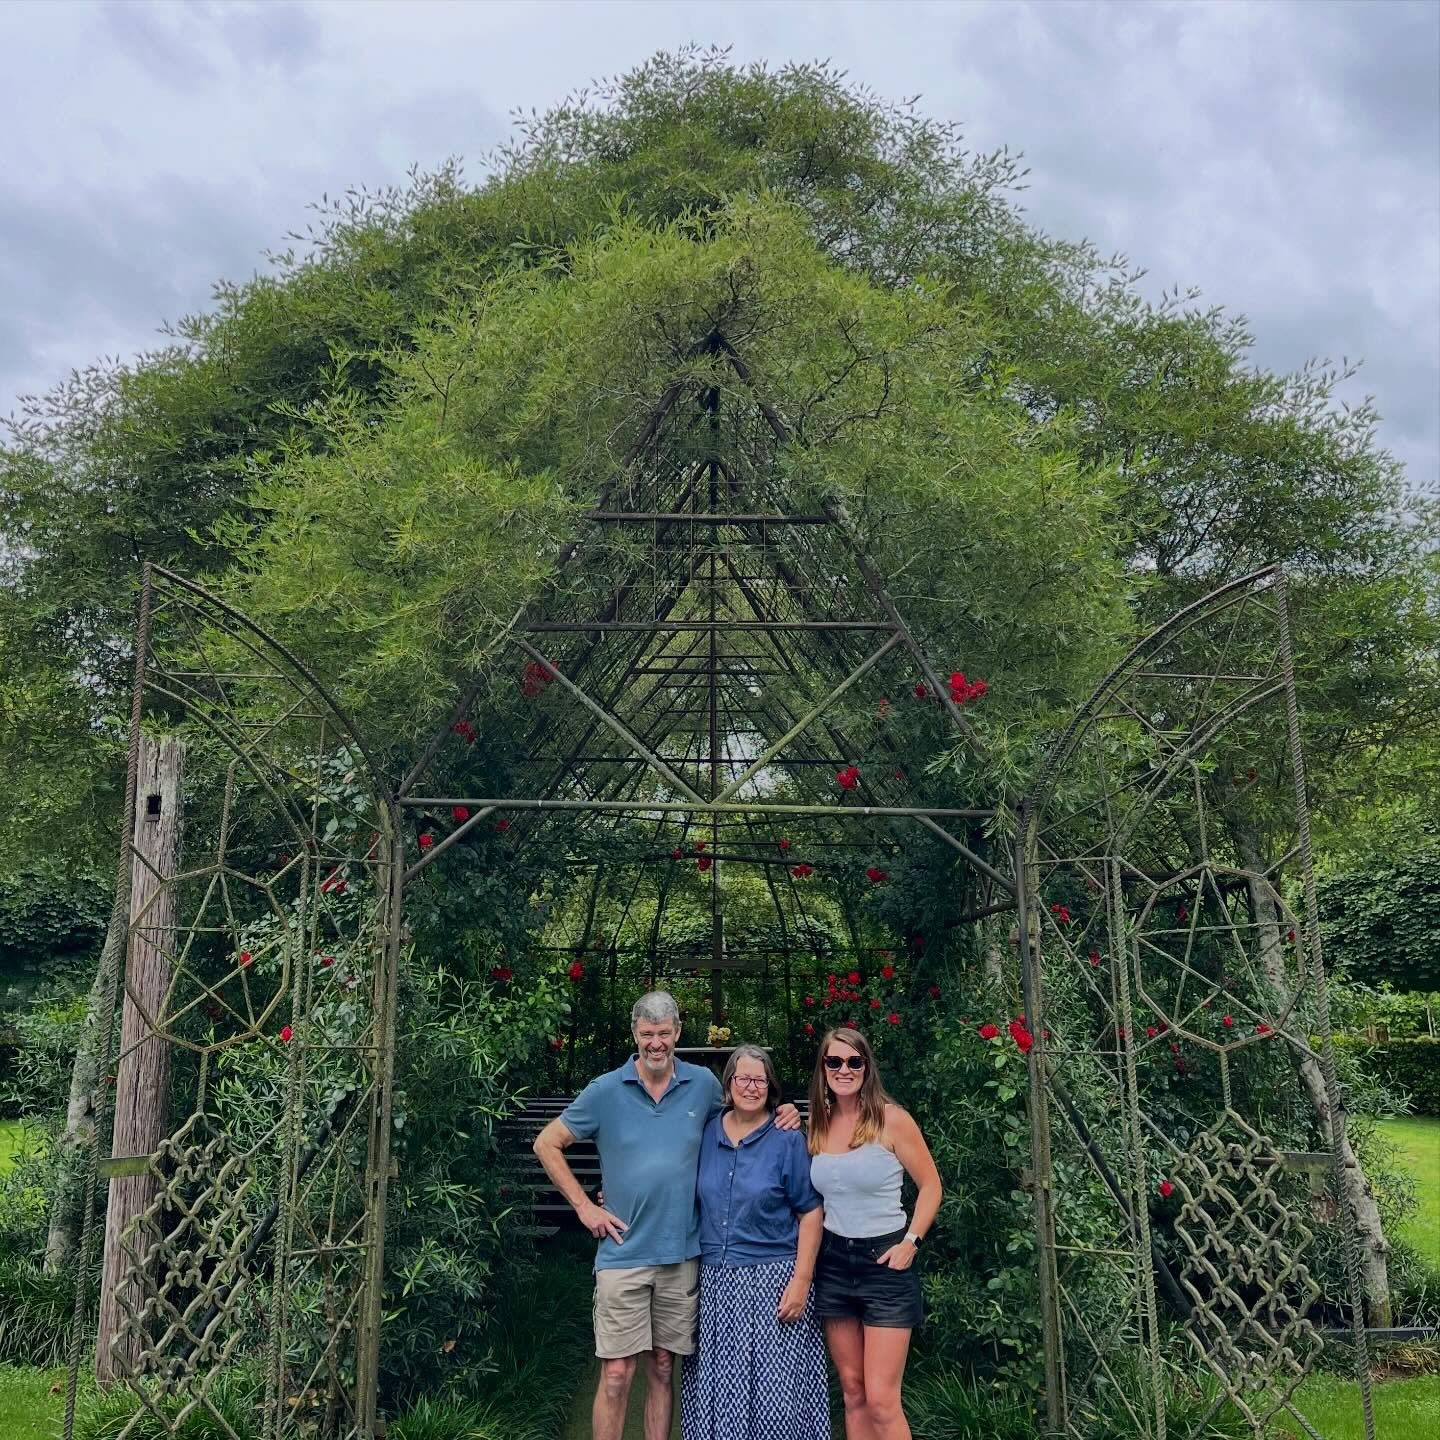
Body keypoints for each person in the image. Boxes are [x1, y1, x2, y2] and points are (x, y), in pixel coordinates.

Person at [533, 992, 800, 1440]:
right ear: (634, 1034)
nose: (655, 1043)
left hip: (682, 1254)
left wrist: (782, 1111)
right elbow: (547, 1143)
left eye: (663, 1033)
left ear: (677, 1032)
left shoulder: (702, 1085)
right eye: (647, 1034)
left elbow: (742, 1118)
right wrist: (584, 1206)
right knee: (616, 1374)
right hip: (623, 1253)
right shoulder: (604, 1091)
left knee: (661, 1367)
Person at [681, 1044, 829, 1440]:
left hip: (773, 1282)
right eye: (743, 1078)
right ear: (728, 1084)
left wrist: (801, 1281)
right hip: (717, 1285)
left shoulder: (786, 1139)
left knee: (775, 1398)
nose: (751, 1087)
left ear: (771, 1087)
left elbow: (811, 1212)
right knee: (721, 1391)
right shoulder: (705, 1133)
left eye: (760, 1080)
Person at [808, 1026, 942, 1440]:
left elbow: (931, 1186)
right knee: (853, 1392)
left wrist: (911, 1243)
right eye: (834, 1061)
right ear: (823, 1068)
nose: (844, 1070)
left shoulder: (892, 1119)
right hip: (833, 1264)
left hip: (884, 1265)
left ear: (867, 1067)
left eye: (854, 1061)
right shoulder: (818, 1123)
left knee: (882, 1400)